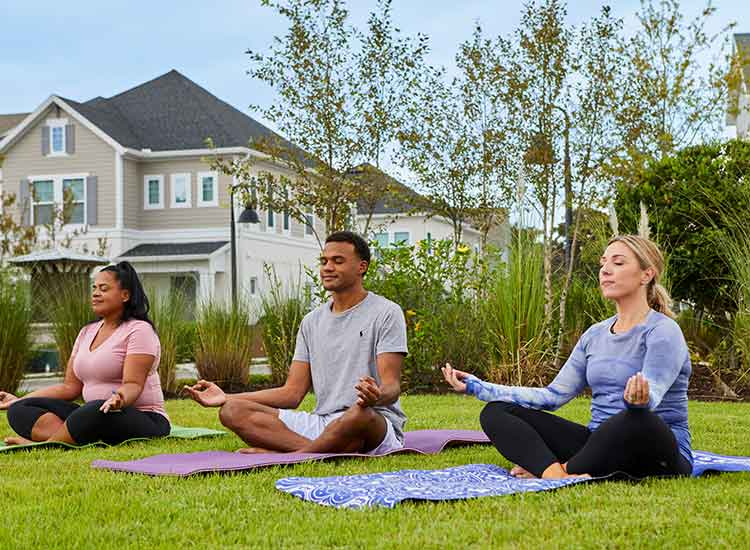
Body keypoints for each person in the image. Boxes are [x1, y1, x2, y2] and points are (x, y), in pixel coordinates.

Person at [443, 235, 693, 480]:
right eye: (603, 263)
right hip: (598, 445)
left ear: (646, 275)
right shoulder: (594, 335)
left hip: (655, 451)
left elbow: (651, 398)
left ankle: (565, 470)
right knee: (496, 412)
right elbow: (552, 397)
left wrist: (638, 401)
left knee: (635, 418)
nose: (605, 270)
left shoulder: (663, 331)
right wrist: (478, 387)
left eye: (617, 263)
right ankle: (554, 473)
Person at [185, 231, 408, 454]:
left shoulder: (386, 312)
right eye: (324, 261)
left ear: (362, 267)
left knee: (358, 415)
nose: (327, 267)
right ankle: (316, 452)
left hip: (372, 421)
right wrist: (226, 396)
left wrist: (377, 396)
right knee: (232, 410)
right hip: (323, 423)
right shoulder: (311, 322)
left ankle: (296, 455)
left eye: (338, 261)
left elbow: (392, 386)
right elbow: (291, 393)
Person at [0, 261, 170, 446]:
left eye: (103, 289)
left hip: (142, 417)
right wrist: (20, 400)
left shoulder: (139, 330)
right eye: (94, 288)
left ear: (125, 295)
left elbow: (133, 384)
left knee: (95, 408)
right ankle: (67, 438)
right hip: (96, 414)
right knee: (20, 409)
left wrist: (119, 399)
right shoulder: (87, 332)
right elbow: (69, 388)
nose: (96, 294)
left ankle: (47, 443)